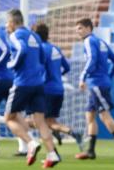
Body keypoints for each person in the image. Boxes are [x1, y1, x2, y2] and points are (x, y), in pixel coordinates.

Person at [4, 9, 61, 168]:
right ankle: (52, 154)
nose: (6, 26)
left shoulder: (15, 35)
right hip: (38, 83)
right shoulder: (35, 36)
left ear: (13, 22)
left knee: (9, 118)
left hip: (22, 83)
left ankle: (30, 143)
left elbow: (21, 49)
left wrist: (12, 64)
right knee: (40, 121)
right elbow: (43, 58)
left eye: (7, 23)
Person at [75, 18, 114, 162]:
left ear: (89, 28)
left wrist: (82, 77)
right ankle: (91, 151)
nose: (78, 31)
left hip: (96, 83)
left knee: (104, 116)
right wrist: (109, 76)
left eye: (80, 28)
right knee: (90, 115)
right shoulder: (101, 42)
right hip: (101, 82)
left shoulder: (89, 41)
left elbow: (92, 59)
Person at [0, 12, 31, 157]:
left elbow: (6, 51)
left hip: (0, 79)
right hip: (9, 78)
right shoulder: (2, 36)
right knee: (14, 113)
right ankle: (25, 146)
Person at [33, 22, 83, 150]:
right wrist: (57, 76)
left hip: (46, 90)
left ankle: (68, 134)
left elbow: (41, 70)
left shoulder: (40, 50)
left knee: (40, 121)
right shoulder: (55, 48)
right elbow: (66, 67)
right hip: (58, 89)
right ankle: (57, 135)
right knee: (50, 121)